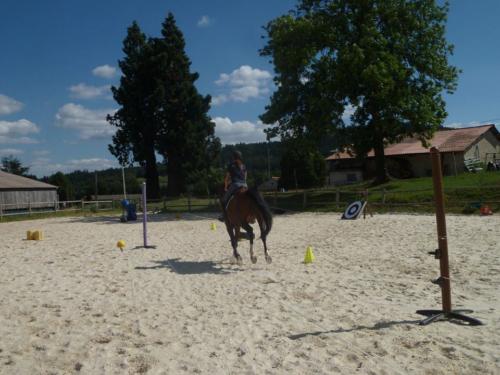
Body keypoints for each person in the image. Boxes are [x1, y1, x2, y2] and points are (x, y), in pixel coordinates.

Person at [218, 150, 247, 221]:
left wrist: (225, 187)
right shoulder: (243, 165)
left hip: (236, 184)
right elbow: (245, 176)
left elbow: (227, 178)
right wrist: (244, 183)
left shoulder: (231, 165)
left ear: (234, 157)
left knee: (224, 199)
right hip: (245, 185)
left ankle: (223, 215)